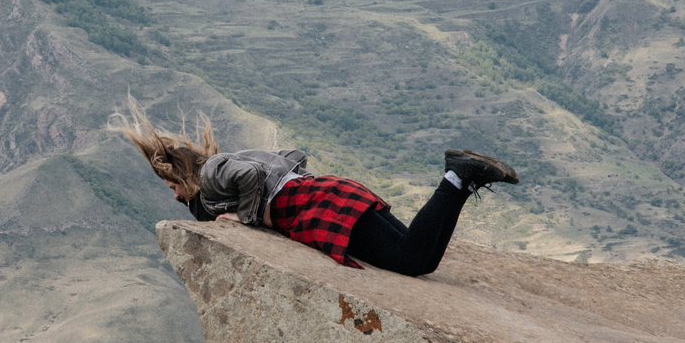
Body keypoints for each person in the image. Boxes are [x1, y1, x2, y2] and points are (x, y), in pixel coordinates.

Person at [116, 110, 516, 278]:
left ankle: (456, 174)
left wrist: (246, 216)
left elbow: (249, 175)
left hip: (322, 208)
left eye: (172, 187)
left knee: (411, 259)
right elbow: (293, 156)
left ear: (182, 176)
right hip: (330, 196)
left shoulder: (214, 171)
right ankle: (462, 180)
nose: (175, 197)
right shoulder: (227, 165)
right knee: (421, 258)